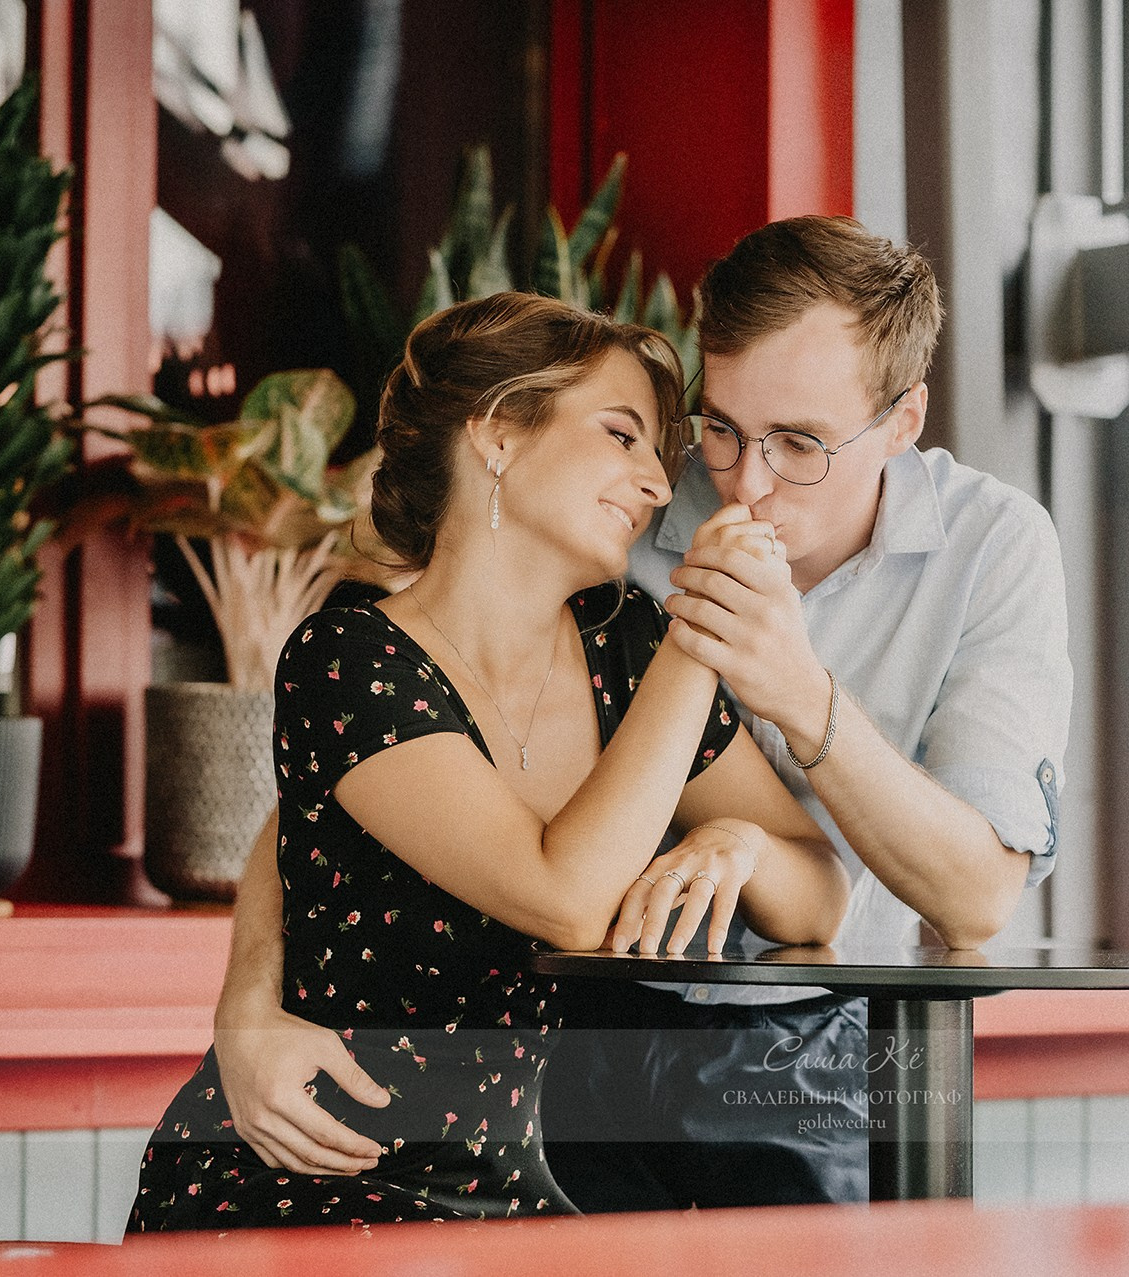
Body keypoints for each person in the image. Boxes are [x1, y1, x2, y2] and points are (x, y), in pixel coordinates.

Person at [211, 216, 1073, 1210]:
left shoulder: (992, 547)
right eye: (718, 425)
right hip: (578, 1042)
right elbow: (356, 778)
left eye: (799, 444)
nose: (737, 480)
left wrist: (790, 698)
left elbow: (975, 902)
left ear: (902, 420)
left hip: (834, 1037)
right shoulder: (612, 526)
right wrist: (248, 997)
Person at [127, 292, 849, 1231]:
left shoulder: (624, 648)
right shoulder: (348, 661)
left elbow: (820, 890)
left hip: (508, 1194)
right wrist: (698, 632)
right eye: (623, 436)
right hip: (307, 1180)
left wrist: (737, 839)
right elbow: (565, 901)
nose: (659, 487)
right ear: (499, 432)